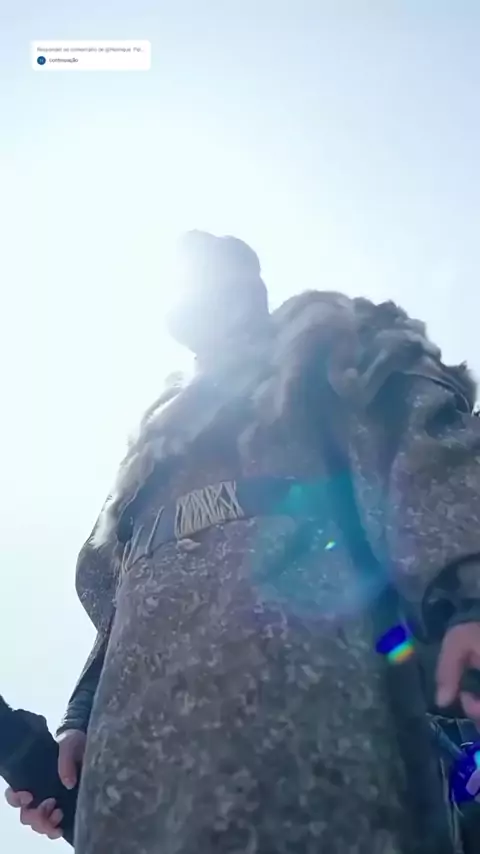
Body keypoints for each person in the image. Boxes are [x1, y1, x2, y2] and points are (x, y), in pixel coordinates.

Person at [6, 230, 480, 853]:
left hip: (312, 690)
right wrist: (82, 720)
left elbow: (422, 443)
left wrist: (468, 593)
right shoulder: (158, 441)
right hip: (139, 739)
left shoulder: (326, 346)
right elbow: (121, 587)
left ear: (249, 286)